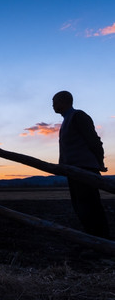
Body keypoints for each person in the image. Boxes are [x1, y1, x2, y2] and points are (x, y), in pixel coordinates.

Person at [52, 90, 110, 239]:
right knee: (80, 205)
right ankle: (93, 238)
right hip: (73, 170)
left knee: (90, 205)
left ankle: (101, 239)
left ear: (64, 101)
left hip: (84, 169)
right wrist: (62, 166)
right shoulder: (66, 120)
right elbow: (66, 148)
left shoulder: (78, 116)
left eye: (55, 102)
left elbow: (94, 141)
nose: (52, 105)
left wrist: (99, 162)